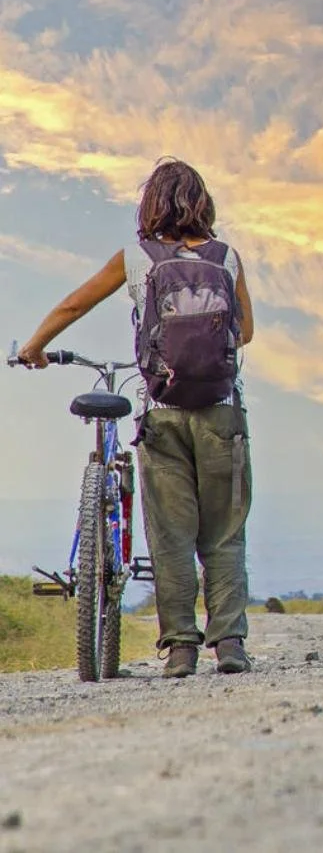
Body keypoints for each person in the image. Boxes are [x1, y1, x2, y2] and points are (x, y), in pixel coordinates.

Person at [17, 157, 255, 678]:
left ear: (151, 206)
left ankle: (181, 649)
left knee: (170, 534)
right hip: (221, 414)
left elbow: (74, 306)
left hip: (163, 414)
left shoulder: (137, 259)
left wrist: (35, 346)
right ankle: (230, 644)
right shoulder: (227, 258)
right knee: (223, 534)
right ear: (203, 205)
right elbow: (248, 333)